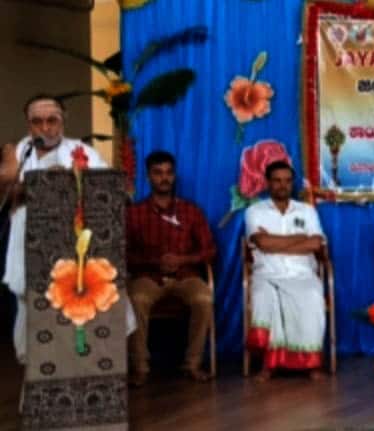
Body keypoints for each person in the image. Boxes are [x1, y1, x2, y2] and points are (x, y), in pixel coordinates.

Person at [0, 94, 112, 363]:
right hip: (28, 239)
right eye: (37, 122)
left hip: (72, 242)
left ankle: (73, 364)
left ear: (63, 121)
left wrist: (71, 179)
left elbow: (105, 188)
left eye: (52, 120)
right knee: (31, 302)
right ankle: (34, 365)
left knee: (72, 303)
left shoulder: (83, 151)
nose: (45, 127)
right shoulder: (18, 152)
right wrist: (41, 182)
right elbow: (6, 190)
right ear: (28, 124)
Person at [127, 150, 216, 386]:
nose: (164, 178)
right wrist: (155, 262)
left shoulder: (191, 211)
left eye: (168, 173)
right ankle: (140, 368)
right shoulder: (134, 213)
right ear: (148, 176)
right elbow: (124, 254)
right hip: (148, 276)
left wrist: (182, 260)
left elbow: (209, 250)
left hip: (185, 276)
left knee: (204, 298)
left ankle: (192, 364)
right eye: (158, 173)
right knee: (136, 299)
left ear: (174, 176)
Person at [244, 160, 327, 381]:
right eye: (277, 181)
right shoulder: (255, 211)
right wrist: (299, 238)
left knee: (312, 296)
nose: (283, 185)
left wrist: (274, 242)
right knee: (265, 297)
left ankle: (311, 363)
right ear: (267, 183)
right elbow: (262, 243)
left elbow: (315, 244)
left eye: (288, 181)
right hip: (267, 274)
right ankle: (268, 366)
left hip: (302, 275)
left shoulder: (307, 211)